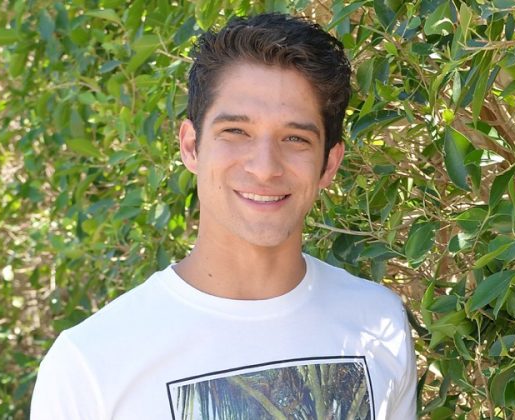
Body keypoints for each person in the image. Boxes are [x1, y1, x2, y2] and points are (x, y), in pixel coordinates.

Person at [31, 12, 417, 419]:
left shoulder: (379, 322)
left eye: (295, 138)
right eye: (236, 132)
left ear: (329, 164)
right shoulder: (91, 364)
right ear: (191, 147)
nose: (265, 167)